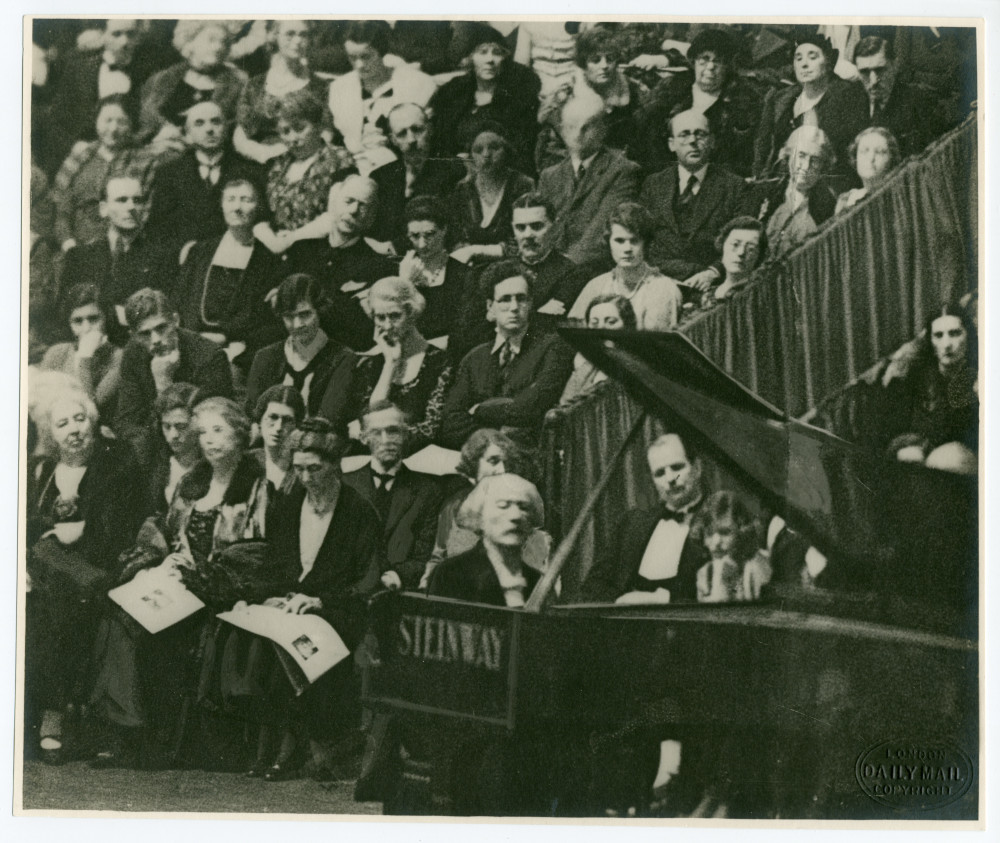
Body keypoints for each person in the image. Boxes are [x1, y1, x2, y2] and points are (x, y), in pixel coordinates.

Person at [89, 397, 271, 768]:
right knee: (119, 613)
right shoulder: (193, 482)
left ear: (239, 433)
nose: (209, 440)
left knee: (160, 630)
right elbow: (169, 533)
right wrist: (164, 561)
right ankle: (127, 730)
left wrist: (198, 574)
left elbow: (255, 554)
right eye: (203, 432)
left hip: (221, 591)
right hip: (180, 583)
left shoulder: (256, 486)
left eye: (218, 430)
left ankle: (152, 740)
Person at [255, 417, 381, 780]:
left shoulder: (358, 512)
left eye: (315, 469)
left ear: (334, 464)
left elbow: (367, 581)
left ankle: (295, 742)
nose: (307, 479)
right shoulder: (290, 503)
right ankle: (271, 736)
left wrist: (320, 601)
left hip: (340, 609)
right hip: (289, 604)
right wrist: (276, 596)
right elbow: (275, 561)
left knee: (301, 640)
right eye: (299, 469)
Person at [25, 385, 143, 764]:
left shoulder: (113, 465)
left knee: (58, 607)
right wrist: (51, 527)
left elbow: (119, 528)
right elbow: (21, 525)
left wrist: (80, 532)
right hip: (51, 571)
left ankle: (54, 718)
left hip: (99, 566)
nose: (73, 429)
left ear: (92, 423)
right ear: (51, 433)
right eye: (62, 424)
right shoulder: (40, 470)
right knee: (46, 597)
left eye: (80, 419)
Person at [441, 273, 575, 449]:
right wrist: (493, 440)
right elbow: (450, 424)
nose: (514, 307)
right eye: (505, 299)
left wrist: (479, 410)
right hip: (479, 457)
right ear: (490, 307)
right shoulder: (475, 358)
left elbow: (530, 410)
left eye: (521, 299)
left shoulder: (553, 347)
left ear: (531, 304)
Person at [581, 432, 709, 604]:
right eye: (660, 473)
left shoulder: (718, 520)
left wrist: (664, 599)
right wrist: (621, 602)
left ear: (697, 468)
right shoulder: (631, 523)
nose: (670, 478)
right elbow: (593, 586)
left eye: (677, 467)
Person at [458, 192, 590, 356]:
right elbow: (470, 331)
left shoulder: (572, 274)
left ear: (555, 227)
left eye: (537, 226)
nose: (528, 235)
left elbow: (548, 330)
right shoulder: (497, 271)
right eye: (521, 228)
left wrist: (499, 317)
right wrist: (536, 314)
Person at [115, 288, 234, 468]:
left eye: (161, 328)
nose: (155, 339)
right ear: (134, 336)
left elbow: (213, 426)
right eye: (145, 334)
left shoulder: (209, 356)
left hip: (201, 455)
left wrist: (164, 385)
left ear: (175, 321)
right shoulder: (133, 353)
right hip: (155, 454)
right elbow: (127, 423)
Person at [172, 178, 282, 374]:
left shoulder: (268, 262)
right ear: (222, 205)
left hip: (237, 352)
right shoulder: (199, 252)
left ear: (258, 207)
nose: (237, 207)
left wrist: (228, 340)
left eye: (246, 200)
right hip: (190, 345)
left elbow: (264, 322)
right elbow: (179, 300)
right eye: (231, 199)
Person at [420, 429, 549, 589]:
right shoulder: (455, 505)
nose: (501, 470)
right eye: (493, 461)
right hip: (459, 589)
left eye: (506, 463)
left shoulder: (520, 502)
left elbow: (535, 558)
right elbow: (437, 556)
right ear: (475, 462)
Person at [59, 174, 179, 346]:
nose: (131, 207)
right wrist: (115, 314)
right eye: (122, 200)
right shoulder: (79, 257)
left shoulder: (163, 257)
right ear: (103, 208)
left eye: (137, 200)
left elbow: (164, 314)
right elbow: (64, 315)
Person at [283, 175, 397, 351]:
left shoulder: (379, 266)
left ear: (372, 216)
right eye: (349, 201)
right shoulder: (300, 251)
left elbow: (361, 329)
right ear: (334, 204)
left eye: (363, 205)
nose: (353, 210)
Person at [639, 109, 748, 289]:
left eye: (700, 134)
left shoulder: (734, 187)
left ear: (712, 142)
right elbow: (641, 237)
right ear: (671, 144)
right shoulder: (653, 185)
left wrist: (713, 272)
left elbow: (742, 240)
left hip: (710, 283)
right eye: (684, 135)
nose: (692, 141)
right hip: (658, 280)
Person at [342, 401, 444, 591]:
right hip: (347, 589)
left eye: (393, 431)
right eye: (376, 432)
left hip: (396, 592)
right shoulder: (344, 485)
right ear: (363, 438)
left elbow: (425, 554)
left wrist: (399, 575)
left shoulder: (427, 492)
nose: (386, 439)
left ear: (406, 434)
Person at [343, 278, 452, 449]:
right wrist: (390, 364)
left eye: (395, 316)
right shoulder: (372, 364)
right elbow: (369, 418)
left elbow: (430, 429)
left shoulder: (441, 362)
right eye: (380, 317)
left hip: (422, 456)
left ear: (411, 313)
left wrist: (377, 435)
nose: (387, 325)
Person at [637, 29, 762, 177]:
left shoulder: (741, 103)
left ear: (728, 66)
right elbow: (644, 134)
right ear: (694, 62)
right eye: (704, 59)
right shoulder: (670, 92)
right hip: (664, 175)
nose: (710, 67)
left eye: (718, 61)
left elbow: (741, 157)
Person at [537, 93, 642, 268]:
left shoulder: (622, 170)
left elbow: (601, 234)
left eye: (587, 127)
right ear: (562, 130)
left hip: (593, 269)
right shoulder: (550, 176)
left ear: (603, 129)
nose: (578, 134)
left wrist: (560, 273)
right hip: (551, 268)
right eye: (571, 127)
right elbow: (543, 232)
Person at [45, 20, 161, 171]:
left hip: (128, 160)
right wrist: (73, 145)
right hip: (81, 158)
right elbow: (56, 121)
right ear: (103, 36)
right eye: (116, 34)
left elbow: (149, 122)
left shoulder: (149, 73)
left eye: (131, 34)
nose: (124, 42)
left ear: (139, 37)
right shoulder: (79, 70)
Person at [428, 23, 542, 177]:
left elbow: (521, 148)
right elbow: (441, 142)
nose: (490, 59)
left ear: (504, 58)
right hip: (456, 172)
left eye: (497, 53)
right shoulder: (454, 94)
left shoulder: (518, 97)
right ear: (470, 58)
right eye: (482, 52)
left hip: (501, 172)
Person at [327, 20, 438, 174]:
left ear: (382, 51)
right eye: (352, 58)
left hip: (404, 168)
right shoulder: (340, 89)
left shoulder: (417, 85)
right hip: (353, 169)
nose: (359, 65)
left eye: (366, 57)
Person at [753, 33, 869, 179]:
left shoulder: (846, 95)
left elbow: (850, 150)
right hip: (778, 181)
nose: (804, 64)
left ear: (828, 63)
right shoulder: (780, 99)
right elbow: (762, 147)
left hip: (826, 183)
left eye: (812, 57)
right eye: (798, 58)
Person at [146, 101, 264, 244]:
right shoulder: (169, 173)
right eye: (199, 123)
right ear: (188, 134)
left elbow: (261, 223)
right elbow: (159, 229)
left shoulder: (250, 171)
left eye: (216, 122)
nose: (209, 129)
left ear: (226, 129)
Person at [245, 273, 356, 424]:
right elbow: (253, 415)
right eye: (289, 317)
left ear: (319, 310)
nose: (297, 324)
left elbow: (329, 418)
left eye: (305, 314)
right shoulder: (265, 357)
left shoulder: (342, 358)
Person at [883, 303, 978, 474]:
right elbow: (896, 428)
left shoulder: (981, 374)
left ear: (968, 336)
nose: (947, 344)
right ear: (931, 341)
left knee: (949, 459)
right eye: (938, 336)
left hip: (967, 464)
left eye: (955, 333)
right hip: (922, 454)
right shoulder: (917, 376)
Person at [51, 96, 155, 252]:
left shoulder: (143, 161)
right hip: (73, 247)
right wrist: (69, 244)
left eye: (121, 122)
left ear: (132, 125)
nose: (113, 129)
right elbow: (61, 207)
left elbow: (142, 213)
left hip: (120, 248)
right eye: (107, 120)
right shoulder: (80, 156)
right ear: (96, 121)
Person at [428, 473, 545, 608]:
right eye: (503, 505)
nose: (516, 516)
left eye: (523, 507)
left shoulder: (538, 582)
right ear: (479, 515)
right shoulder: (450, 574)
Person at [536, 27, 643, 170]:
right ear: (583, 64)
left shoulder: (632, 92)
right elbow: (550, 150)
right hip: (574, 166)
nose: (604, 66)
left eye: (610, 59)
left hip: (619, 167)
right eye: (596, 60)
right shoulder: (566, 95)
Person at [137, 21, 248, 156]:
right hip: (159, 152)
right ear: (189, 42)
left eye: (224, 42)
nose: (219, 47)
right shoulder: (162, 80)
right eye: (211, 40)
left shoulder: (237, 85)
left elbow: (236, 131)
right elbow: (147, 123)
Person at [569, 202, 683, 331]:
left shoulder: (663, 289)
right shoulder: (596, 286)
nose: (627, 249)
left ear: (646, 244)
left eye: (634, 241)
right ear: (608, 242)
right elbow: (575, 336)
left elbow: (655, 346)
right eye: (619, 241)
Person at [367, 103, 467, 248]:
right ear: (393, 140)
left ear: (430, 130)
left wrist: (394, 246)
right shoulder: (381, 177)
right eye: (402, 134)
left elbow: (449, 227)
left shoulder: (453, 169)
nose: (411, 139)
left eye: (417, 130)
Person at [234, 20, 334, 165]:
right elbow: (241, 133)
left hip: (304, 162)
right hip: (257, 162)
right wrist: (264, 154)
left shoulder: (319, 86)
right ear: (275, 36)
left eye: (303, 35)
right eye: (290, 34)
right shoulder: (254, 85)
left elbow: (326, 132)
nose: (298, 41)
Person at [263, 89, 357, 234]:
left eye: (300, 128)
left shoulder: (340, 160)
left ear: (318, 125)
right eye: (285, 131)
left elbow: (340, 218)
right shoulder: (277, 165)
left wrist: (291, 239)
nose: (293, 138)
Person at [447, 119, 536, 260]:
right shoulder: (463, 189)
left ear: (507, 150)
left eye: (494, 147)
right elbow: (455, 238)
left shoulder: (522, 185)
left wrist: (477, 250)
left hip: (512, 264)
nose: (486, 155)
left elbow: (525, 239)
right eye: (478, 150)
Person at [39, 283, 123, 422]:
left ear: (105, 318)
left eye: (94, 319)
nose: (87, 328)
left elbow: (88, 411)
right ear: (70, 324)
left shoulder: (118, 357)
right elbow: (40, 404)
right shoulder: (57, 353)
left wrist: (85, 357)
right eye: (78, 321)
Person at [397, 196, 474, 344]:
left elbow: (464, 332)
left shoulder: (463, 275)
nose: (422, 244)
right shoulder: (400, 271)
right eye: (414, 236)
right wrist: (405, 284)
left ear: (444, 229)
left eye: (429, 234)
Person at [756, 126, 840, 258]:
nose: (806, 166)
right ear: (788, 156)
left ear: (823, 167)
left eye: (815, 161)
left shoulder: (829, 208)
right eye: (801, 156)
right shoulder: (765, 193)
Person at [853, 35, 929, 158]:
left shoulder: (919, 103)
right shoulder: (849, 103)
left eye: (880, 70)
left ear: (895, 66)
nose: (873, 81)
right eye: (865, 72)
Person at [559, 294, 636, 406]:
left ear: (628, 326)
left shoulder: (635, 369)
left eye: (611, 322)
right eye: (594, 323)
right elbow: (563, 406)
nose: (601, 328)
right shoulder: (586, 365)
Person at [691, 491, 766, 603]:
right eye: (709, 534)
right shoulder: (705, 573)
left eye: (725, 532)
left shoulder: (756, 568)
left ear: (743, 533)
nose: (716, 542)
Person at [145, 382, 203, 516]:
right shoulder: (155, 467)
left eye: (181, 426)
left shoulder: (212, 466)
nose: (173, 435)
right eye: (166, 426)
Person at [250, 384, 306, 512]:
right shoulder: (247, 463)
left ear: (297, 425)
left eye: (287, 420)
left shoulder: (303, 469)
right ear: (260, 420)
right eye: (273, 417)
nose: (279, 427)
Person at [834, 127, 901, 215]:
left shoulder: (898, 195)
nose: (871, 158)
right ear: (855, 157)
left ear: (891, 159)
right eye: (864, 151)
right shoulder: (846, 199)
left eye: (879, 152)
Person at [700, 216, 766, 306]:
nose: (741, 252)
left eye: (751, 249)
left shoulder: (757, 294)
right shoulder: (707, 295)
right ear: (722, 245)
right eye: (735, 244)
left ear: (759, 255)